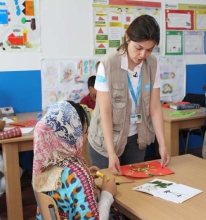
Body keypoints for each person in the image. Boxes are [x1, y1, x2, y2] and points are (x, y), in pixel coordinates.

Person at [88, 14, 170, 174]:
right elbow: (105, 112)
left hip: (136, 137)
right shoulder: (107, 64)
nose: (143, 55)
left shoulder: (152, 64)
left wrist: (163, 144)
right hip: (106, 142)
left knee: (133, 188)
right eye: (138, 48)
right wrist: (111, 153)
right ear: (127, 38)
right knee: (107, 189)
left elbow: (155, 108)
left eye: (149, 50)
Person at [32, 101, 118, 220]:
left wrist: (86, 178)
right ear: (72, 133)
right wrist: (107, 193)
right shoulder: (78, 174)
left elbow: (65, 189)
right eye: (83, 129)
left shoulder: (44, 163)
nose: (86, 135)